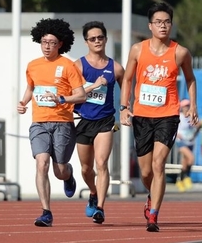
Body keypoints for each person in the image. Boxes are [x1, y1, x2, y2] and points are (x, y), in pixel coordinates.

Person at [120, 2, 198, 232]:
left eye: (167, 22)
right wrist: (124, 107)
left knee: (158, 164)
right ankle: (151, 195)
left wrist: (193, 105)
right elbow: (127, 79)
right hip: (142, 115)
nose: (163, 26)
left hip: (168, 115)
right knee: (146, 172)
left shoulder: (180, 52)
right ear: (150, 26)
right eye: (158, 22)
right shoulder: (137, 49)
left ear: (171, 25)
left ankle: (153, 214)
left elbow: (190, 79)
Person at [17, 18, 87, 227]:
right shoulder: (33, 65)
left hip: (62, 122)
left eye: (52, 43)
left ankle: (68, 175)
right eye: (44, 42)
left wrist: (62, 99)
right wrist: (23, 102)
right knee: (42, 163)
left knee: (59, 170)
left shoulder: (67, 66)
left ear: (60, 44)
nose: (47, 46)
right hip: (39, 122)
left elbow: (81, 95)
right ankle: (46, 212)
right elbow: (31, 88)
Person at [74, 21, 124, 224]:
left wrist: (126, 108)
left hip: (105, 121)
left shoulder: (116, 68)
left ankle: (100, 208)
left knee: (102, 163)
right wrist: (93, 86)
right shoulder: (78, 66)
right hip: (83, 120)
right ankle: (93, 192)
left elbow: (128, 91)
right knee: (86, 169)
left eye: (100, 37)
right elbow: (71, 93)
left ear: (106, 39)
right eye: (92, 38)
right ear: (86, 42)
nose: (97, 41)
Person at [175, 99, 196, 192]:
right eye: (185, 106)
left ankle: (180, 180)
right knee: (191, 158)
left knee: (185, 162)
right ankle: (187, 177)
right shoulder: (179, 116)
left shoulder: (191, 116)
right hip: (181, 141)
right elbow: (173, 127)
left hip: (190, 141)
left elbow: (195, 127)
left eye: (188, 106)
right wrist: (176, 134)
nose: (187, 108)